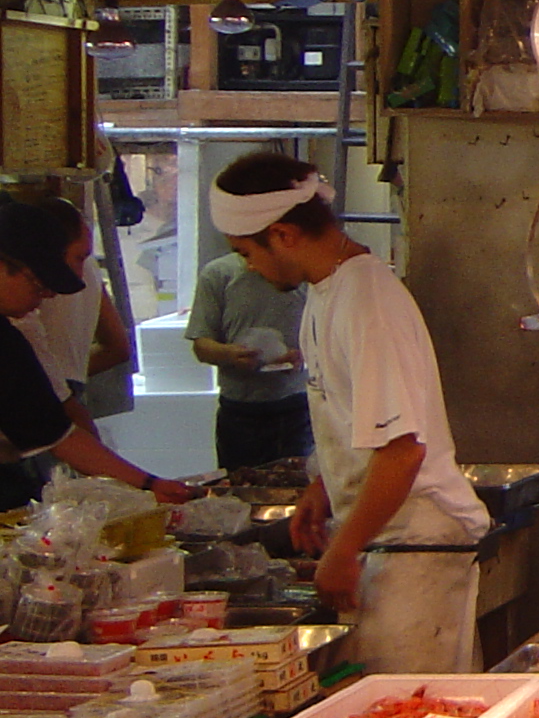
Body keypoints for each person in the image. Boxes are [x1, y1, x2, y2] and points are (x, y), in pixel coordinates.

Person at [212, 153, 490, 674]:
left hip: (415, 539)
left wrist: (343, 549)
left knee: (411, 714)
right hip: (387, 536)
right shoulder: (326, 292)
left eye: (246, 252)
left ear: (284, 234)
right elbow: (351, 418)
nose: (247, 265)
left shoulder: (367, 301)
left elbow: (404, 453)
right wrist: (324, 484)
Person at [0, 202, 191, 509]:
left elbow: (59, 436)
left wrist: (148, 484)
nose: (43, 299)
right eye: (38, 286)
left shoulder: (8, 342)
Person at [188, 248, 313, 470]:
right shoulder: (218, 274)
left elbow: (331, 339)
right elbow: (201, 346)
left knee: (300, 486)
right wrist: (230, 354)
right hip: (240, 409)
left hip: (298, 404)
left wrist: (306, 354)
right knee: (242, 488)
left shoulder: (303, 273)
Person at [13, 197, 131, 419]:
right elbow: (117, 347)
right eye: (37, 286)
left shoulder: (84, 267)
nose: (49, 293)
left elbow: (119, 348)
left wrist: (59, 379)